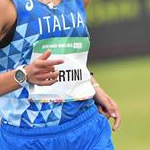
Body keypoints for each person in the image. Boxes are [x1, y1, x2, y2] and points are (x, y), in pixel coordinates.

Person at [0, 0, 121, 149]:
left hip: (88, 130)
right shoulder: (7, 6)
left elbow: (66, 52)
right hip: (27, 139)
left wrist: (94, 85)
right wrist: (24, 75)